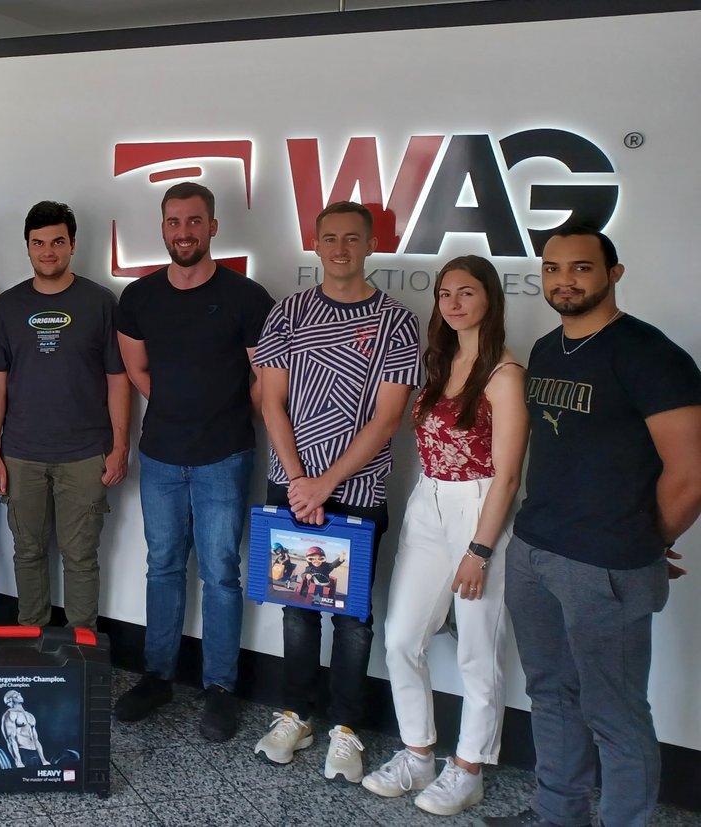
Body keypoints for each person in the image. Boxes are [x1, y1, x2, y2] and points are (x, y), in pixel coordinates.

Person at [478, 228, 701, 827]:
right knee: (550, 695)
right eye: (552, 269)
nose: (564, 281)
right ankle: (560, 815)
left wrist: (646, 540)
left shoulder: (650, 356)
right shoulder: (549, 350)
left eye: (580, 268)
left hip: (605, 566)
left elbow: (691, 473)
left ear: (614, 273)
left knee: (616, 712)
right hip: (534, 550)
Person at [252, 201, 420, 782]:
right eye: (330, 238)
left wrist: (325, 482)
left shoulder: (397, 321)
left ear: (370, 244)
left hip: (357, 490)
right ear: (315, 245)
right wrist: (299, 480)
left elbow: (388, 418)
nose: (341, 248)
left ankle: (346, 728)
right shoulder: (289, 312)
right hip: (292, 486)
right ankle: (296, 714)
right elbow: (271, 400)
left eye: (352, 238)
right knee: (298, 607)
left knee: (352, 616)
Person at [359, 256, 527, 816]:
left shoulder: (505, 374)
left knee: (479, 648)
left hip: (480, 507)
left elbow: (507, 474)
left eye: (467, 293)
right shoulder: (442, 361)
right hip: (428, 502)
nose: (454, 304)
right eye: (445, 294)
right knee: (402, 636)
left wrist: (480, 549)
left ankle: (469, 767)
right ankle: (418, 753)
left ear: (489, 300)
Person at [112, 181, 274, 741]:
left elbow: (264, 380)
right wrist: (178, 406)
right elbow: (137, 372)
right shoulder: (139, 298)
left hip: (224, 458)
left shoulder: (248, 297)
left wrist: (225, 414)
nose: (184, 232)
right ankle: (158, 676)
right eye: (174, 222)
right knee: (163, 566)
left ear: (212, 227)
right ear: (163, 229)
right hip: (160, 455)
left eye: (194, 221)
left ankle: (220, 688)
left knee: (222, 573)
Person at [0, 200, 130, 631]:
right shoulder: (9, 305)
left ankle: (81, 651)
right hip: (21, 453)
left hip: (85, 454)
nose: (48, 251)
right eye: (38, 243)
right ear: (27, 248)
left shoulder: (101, 302)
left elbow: (118, 378)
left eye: (57, 242)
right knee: (26, 553)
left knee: (81, 556)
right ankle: (32, 643)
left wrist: (120, 447)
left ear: (73, 245)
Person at [1, 690, 49, 768]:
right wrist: (18, 761)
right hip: (23, 753)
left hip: (35, 753)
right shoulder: (9, 714)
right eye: (15, 694)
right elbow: (10, 739)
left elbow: (35, 739)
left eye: (18, 693)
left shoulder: (30, 715)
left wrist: (43, 760)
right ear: (9, 700)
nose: (19, 694)